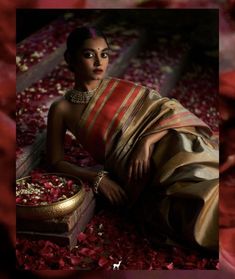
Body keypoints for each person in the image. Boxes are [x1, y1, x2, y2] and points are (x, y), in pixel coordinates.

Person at [46, 26, 219, 251]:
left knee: (201, 179)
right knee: (187, 211)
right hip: (137, 174)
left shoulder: (119, 87)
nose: (99, 62)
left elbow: (168, 108)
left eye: (104, 54)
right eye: (89, 55)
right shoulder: (61, 109)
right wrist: (98, 178)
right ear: (70, 58)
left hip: (169, 143)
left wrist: (146, 142)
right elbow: (55, 161)